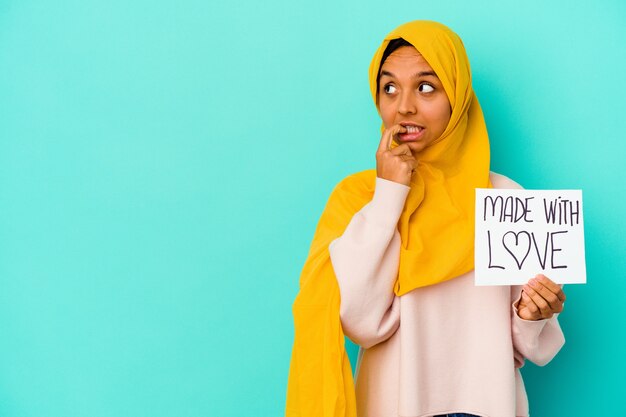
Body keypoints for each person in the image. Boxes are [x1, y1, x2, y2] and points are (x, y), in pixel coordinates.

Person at [286, 20, 566, 417]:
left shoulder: (506, 197)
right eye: (390, 88)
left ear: (457, 94)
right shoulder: (359, 198)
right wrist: (390, 196)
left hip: (489, 403)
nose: (404, 106)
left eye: (426, 86)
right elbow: (363, 324)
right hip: (395, 405)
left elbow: (533, 348)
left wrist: (532, 313)